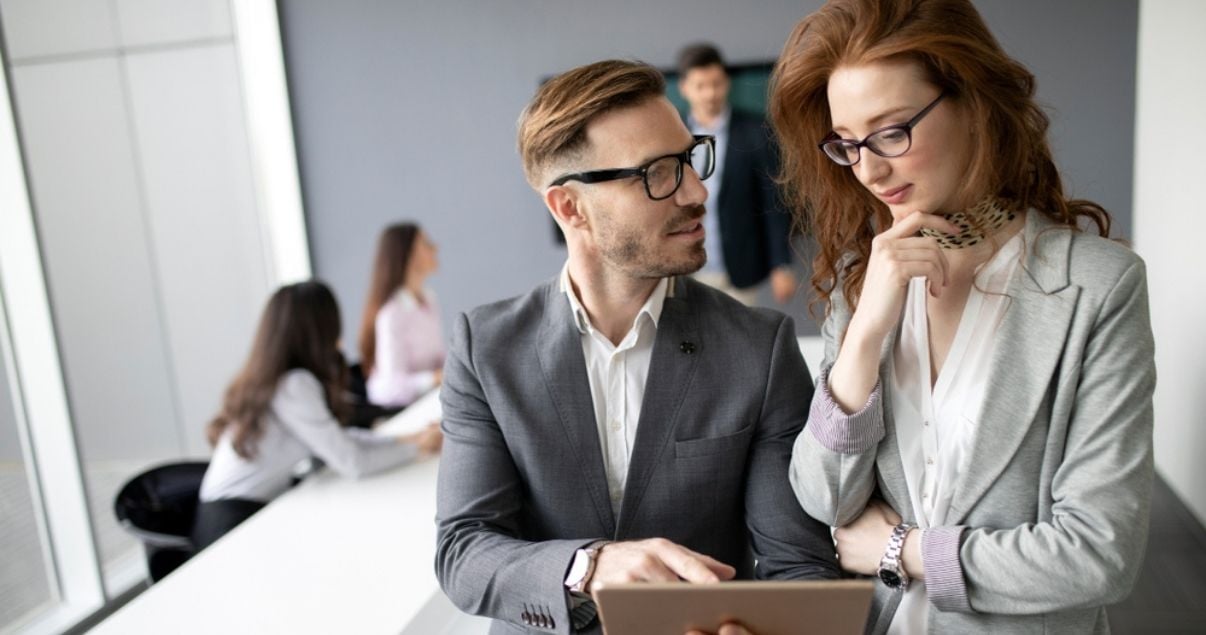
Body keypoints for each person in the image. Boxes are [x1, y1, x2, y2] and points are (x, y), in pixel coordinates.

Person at [769, 0, 1156, 633]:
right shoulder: (863, 281)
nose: (869, 169)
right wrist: (866, 331)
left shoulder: (1095, 287)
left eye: (892, 131)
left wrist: (901, 551)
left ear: (973, 103)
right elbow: (825, 500)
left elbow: (1098, 555)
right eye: (847, 144)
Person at [435, 60, 839, 635]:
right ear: (569, 207)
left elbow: (799, 565)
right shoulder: (487, 348)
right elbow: (463, 551)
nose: (697, 191)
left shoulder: (759, 347)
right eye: (657, 173)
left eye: (690, 158)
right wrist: (588, 566)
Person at [194, 281, 441, 550]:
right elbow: (353, 461)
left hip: (231, 513)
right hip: (231, 524)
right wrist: (418, 448)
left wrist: (409, 440)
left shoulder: (278, 380)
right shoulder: (293, 385)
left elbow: (337, 440)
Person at [677, 42, 797, 306]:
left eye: (716, 83)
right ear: (684, 89)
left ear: (727, 83)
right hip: (687, 269)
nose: (710, 93)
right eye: (700, 86)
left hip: (741, 266)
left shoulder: (755, 129)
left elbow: (773, 200)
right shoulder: (671, 135)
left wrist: (781, 265)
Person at [359, 223, 446, 408]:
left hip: (430, 400)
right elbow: (391, 386)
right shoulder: (391, 314)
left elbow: (438, 359)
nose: (435, 248)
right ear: (409, 254)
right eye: (426, 243)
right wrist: (435, 378)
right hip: (402, 408)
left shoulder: (429, 300)